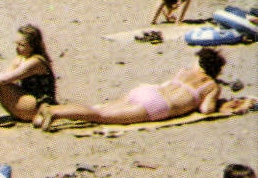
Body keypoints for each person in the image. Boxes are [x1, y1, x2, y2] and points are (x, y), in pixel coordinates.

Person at [37, 47, 252, 129]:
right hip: (158, 105)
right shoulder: (211, 86)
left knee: (100, 107)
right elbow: (206, 110)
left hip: (148, 91)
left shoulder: (185, 71)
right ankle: (55, 112)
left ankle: (52, 113)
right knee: (100, 116)